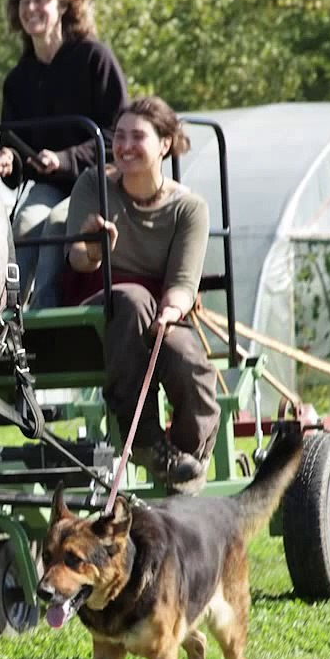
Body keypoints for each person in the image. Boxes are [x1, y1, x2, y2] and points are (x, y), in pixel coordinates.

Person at [62, 96, 218, 495]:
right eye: (120, 136)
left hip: (159, 313)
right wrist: (96, 250)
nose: (125, 145)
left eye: (138, 136)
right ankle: (146, 440)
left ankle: (186, 461)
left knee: (187, 359)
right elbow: (77, 257)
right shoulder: (93, 185)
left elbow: (183, 283)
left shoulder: (190, 208)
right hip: (99, 310)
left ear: (165, 144)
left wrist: (171, 312)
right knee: (130, 299)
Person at [0, 0, 128, 309]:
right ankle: (5, 324)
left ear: (64, 5)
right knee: (22, 224)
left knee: (57, 226)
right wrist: (9, 160)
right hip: (48, 186)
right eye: (24, 0)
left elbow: (117, 138)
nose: (31, 8)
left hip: (97, 182)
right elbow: (13, 154)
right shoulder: (17, 80)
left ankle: (47, 318)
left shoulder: (95, 58)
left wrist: (63, 159)